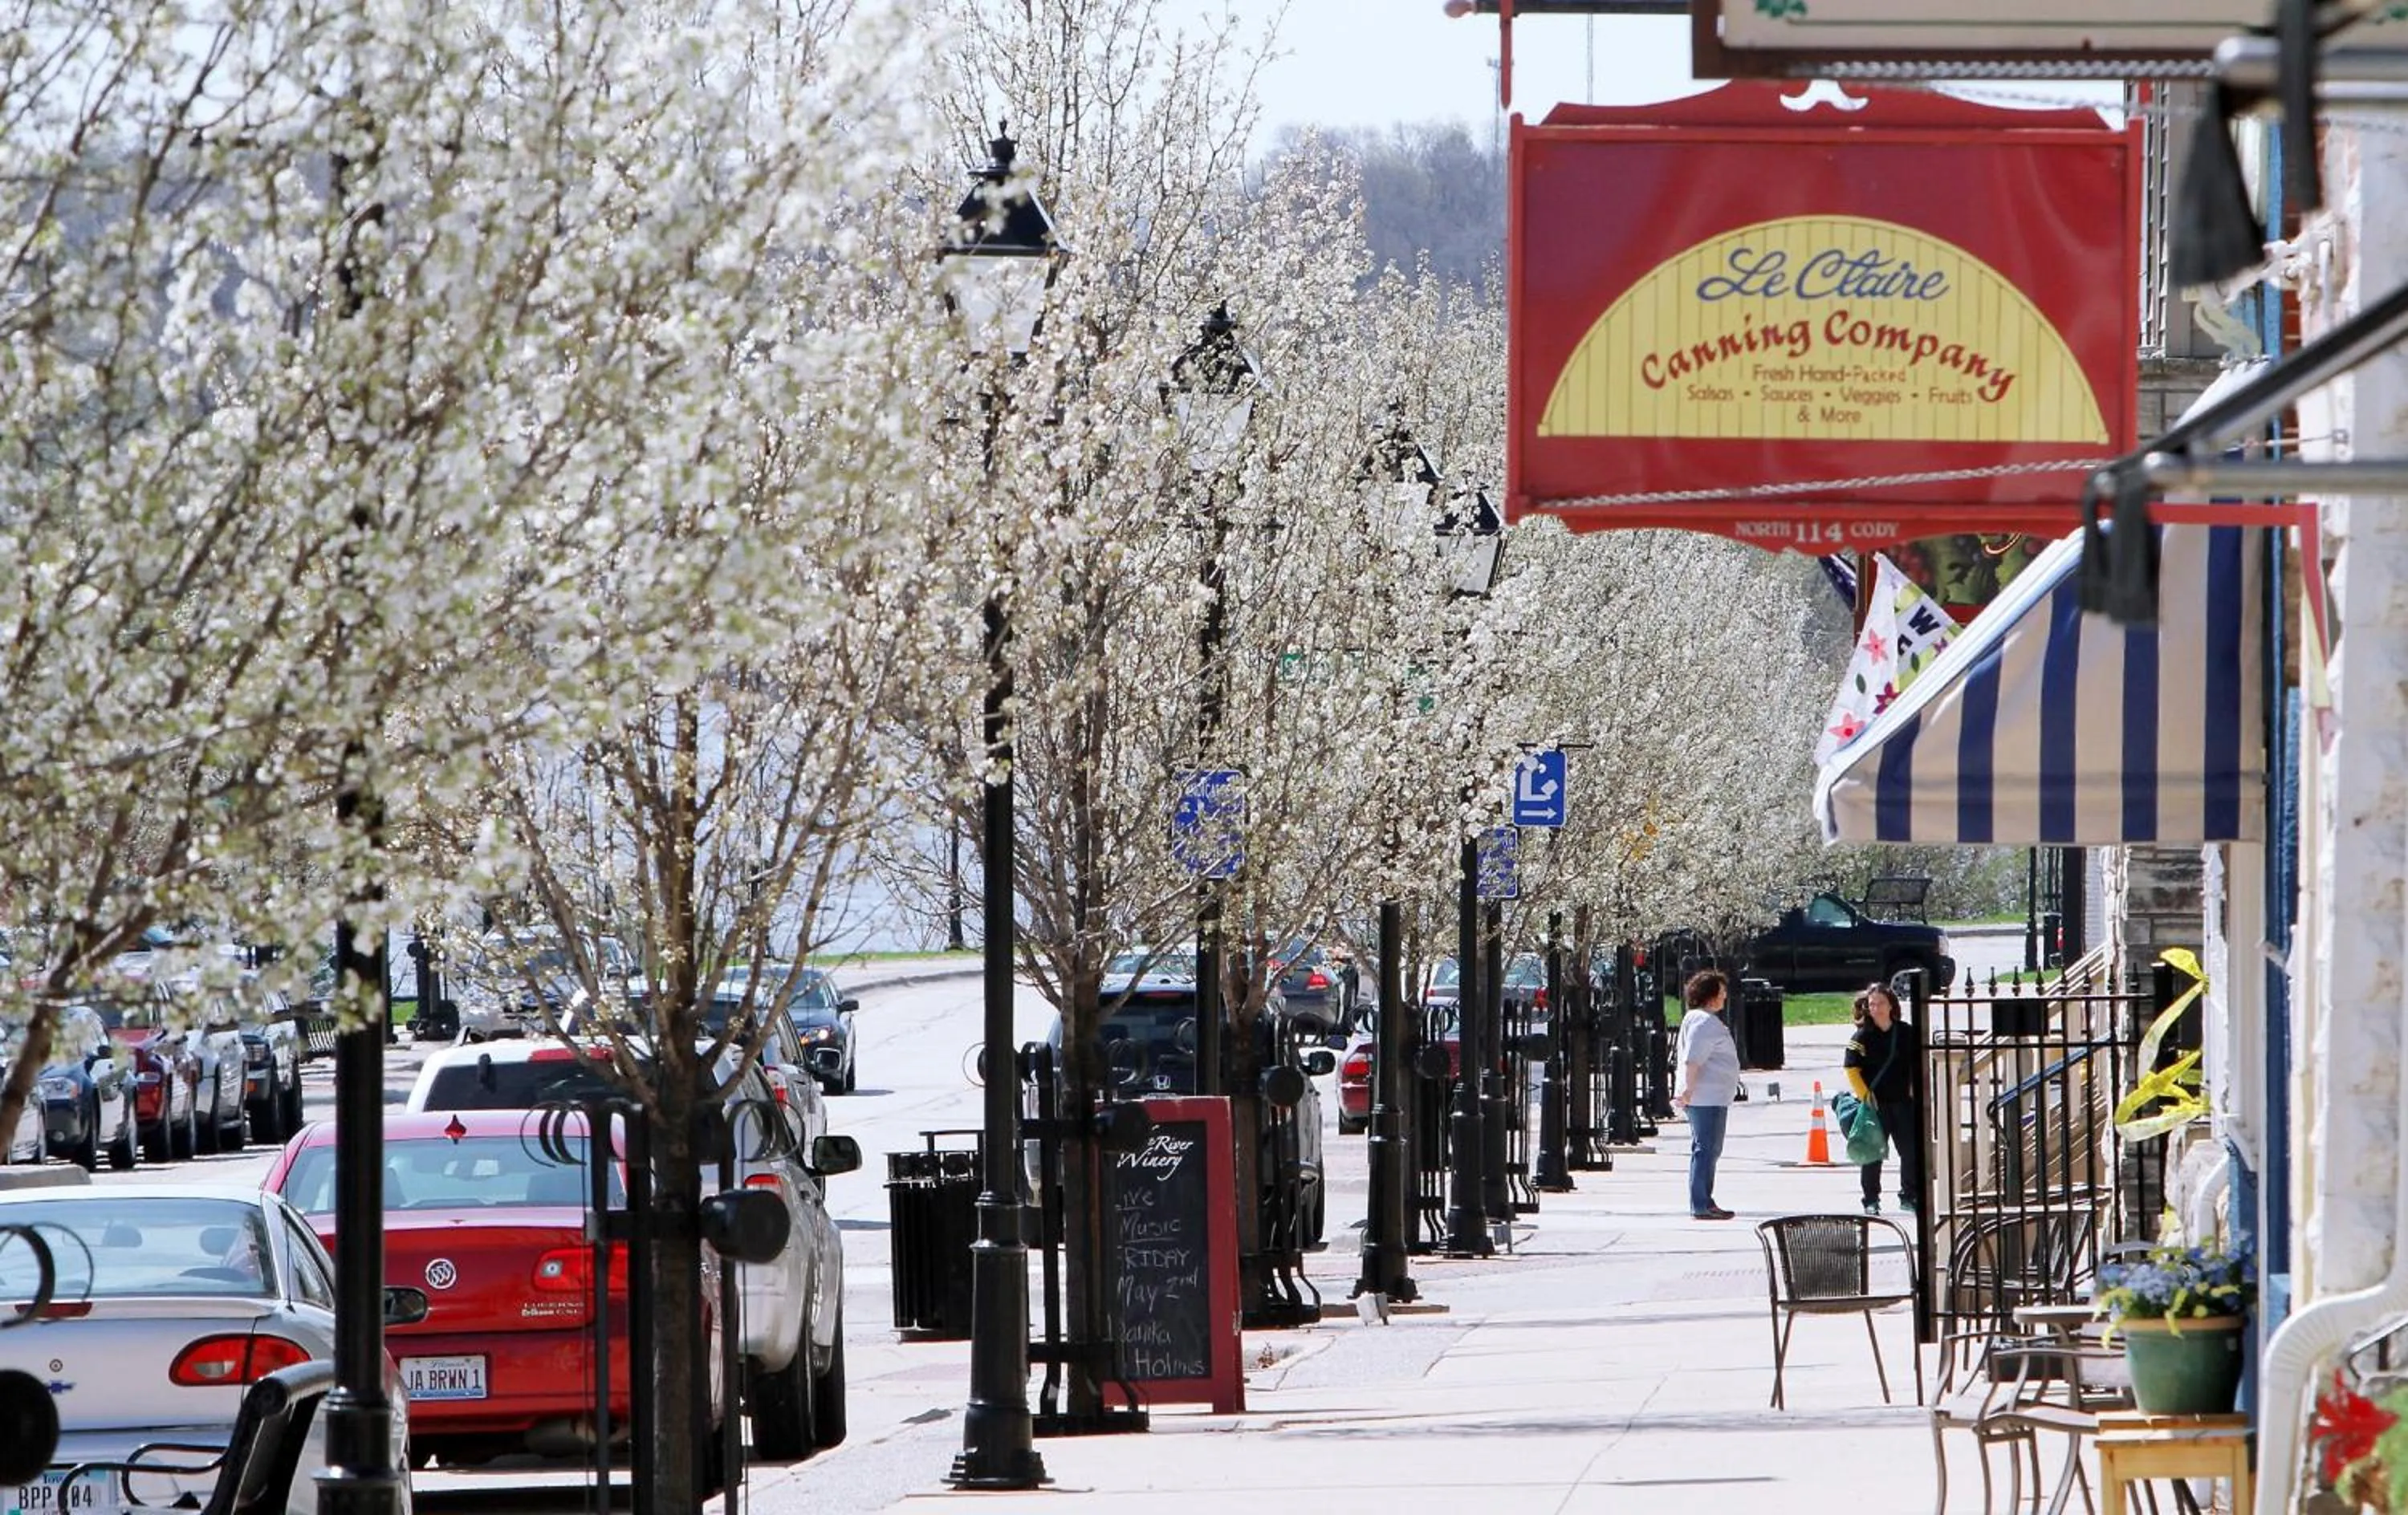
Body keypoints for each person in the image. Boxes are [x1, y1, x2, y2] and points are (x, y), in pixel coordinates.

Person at [1844, 981, 1923, 1215]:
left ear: (1892, 1006)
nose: (1876, 1008)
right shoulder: (1861, 1036)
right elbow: (1851, 1069)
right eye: (1872, 1004)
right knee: (1872, 1155)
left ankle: (1909, 1195)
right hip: (1875, 1106)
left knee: (1910, 1152)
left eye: (1880, 1003)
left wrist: (1913, 1089)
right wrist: (1865, 1096)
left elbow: (1917, 1063)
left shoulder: (1907, 1032)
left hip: (1903, 1104)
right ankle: (1871, 1199)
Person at [1671, 969, 1740, 1221]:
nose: (1724, 997)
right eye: (1721, 992)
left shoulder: (1699, 1019)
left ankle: (1705, 1200)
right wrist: (1687, 1090)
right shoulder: (1703, 1022)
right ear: (1710, 996)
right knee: (1706, 1149)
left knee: (1709, 1149)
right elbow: (1693, 1059)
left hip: (1712, 1097)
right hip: (1706, 1098)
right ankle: (1701, 1203)